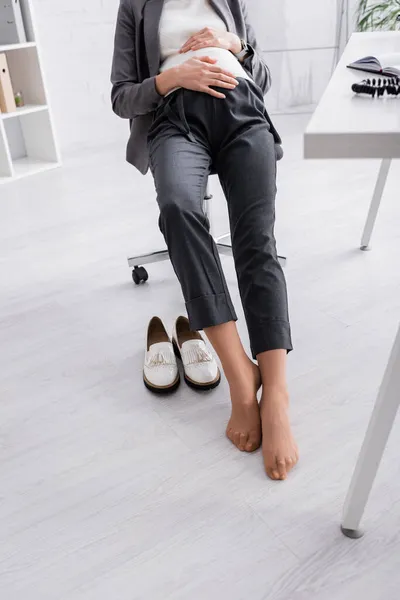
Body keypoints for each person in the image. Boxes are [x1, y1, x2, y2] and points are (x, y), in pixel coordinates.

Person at [111, 0, 299, 481]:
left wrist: (234, 46)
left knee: (256, 236)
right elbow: (121, 98)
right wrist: (174, 77)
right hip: (176, 120)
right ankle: (240, 376)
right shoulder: (136, 5)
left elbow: (266, 75)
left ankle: (275, 392)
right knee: (177, 208)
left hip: (241, 106)